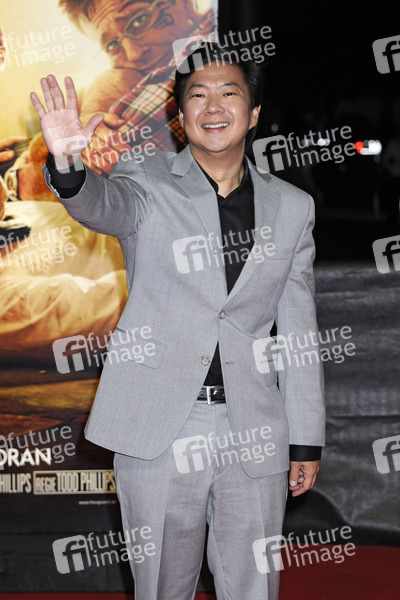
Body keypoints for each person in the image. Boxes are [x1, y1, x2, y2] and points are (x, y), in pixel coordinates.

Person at [31, 43, 325, 600]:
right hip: (161, 425)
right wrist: (68, 168)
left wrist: (306, 440)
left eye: (229, 93)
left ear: (254, 114)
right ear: (181, 114)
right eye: (197, 95)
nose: (213, 106)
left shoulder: (292, 207)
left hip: (254, 428)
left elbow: (300, 333)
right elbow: (103, 205)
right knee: (162, 587)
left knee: (253, 587)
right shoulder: (147, 180)